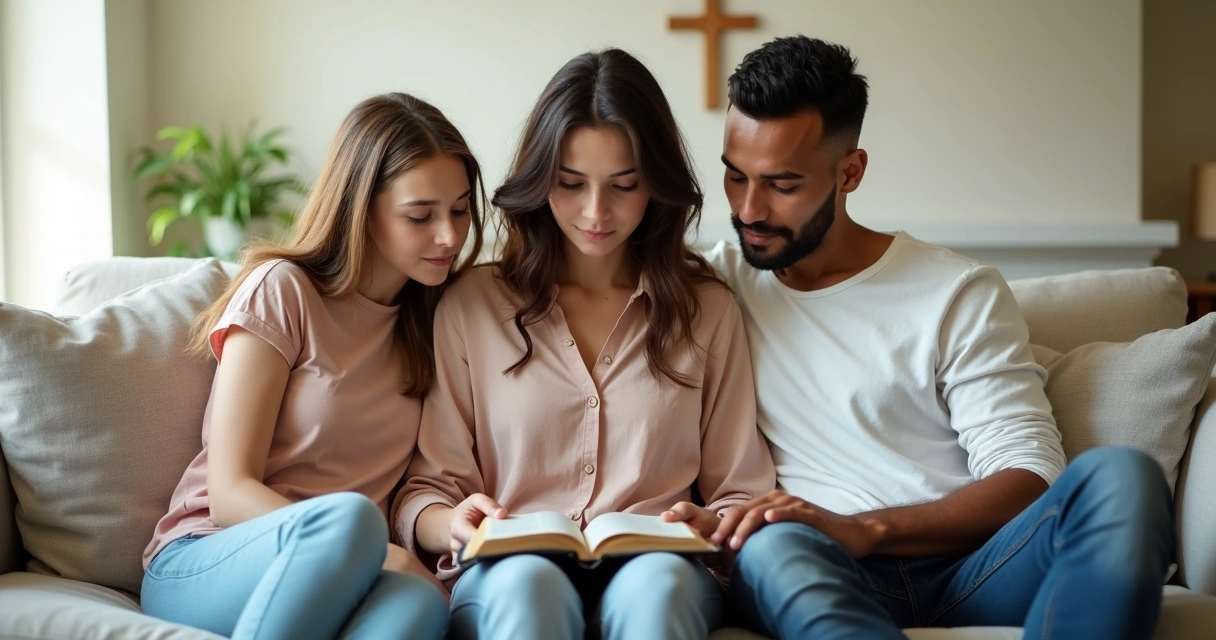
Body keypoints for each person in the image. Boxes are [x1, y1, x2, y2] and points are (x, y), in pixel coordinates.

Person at [705, 36, 1175, 640]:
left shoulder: (954, 290)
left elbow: (1030, 471)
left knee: (1125, 477)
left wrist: (869, 527)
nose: (748, 210)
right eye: (734, 176)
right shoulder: (712, 285)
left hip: (978, 569)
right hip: (820, 567)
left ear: (850, 172)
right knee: (770, 548)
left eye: (782, 185)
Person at [394, 49, 775, 640]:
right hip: (510, 569)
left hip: (659, 565)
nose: (596, 212)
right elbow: (426, 490)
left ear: (656, 186)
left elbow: (740, 492)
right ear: (541, 179)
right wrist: (453, 523)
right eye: (571, 184)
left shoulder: (707, 309)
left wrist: (711, 520)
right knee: (529, 587)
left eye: (624, 186)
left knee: (660, 591)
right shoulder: (472, 303)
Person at [140, 92, 486, 640]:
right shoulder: (283, 291)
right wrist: (370, 549)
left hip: (350, 565)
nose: (450, 235)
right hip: (210, 557)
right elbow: (231, 492)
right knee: (351, 519)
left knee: (423, 605)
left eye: (461, 209)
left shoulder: (435, 317)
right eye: (421, 215)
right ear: (361, 208)